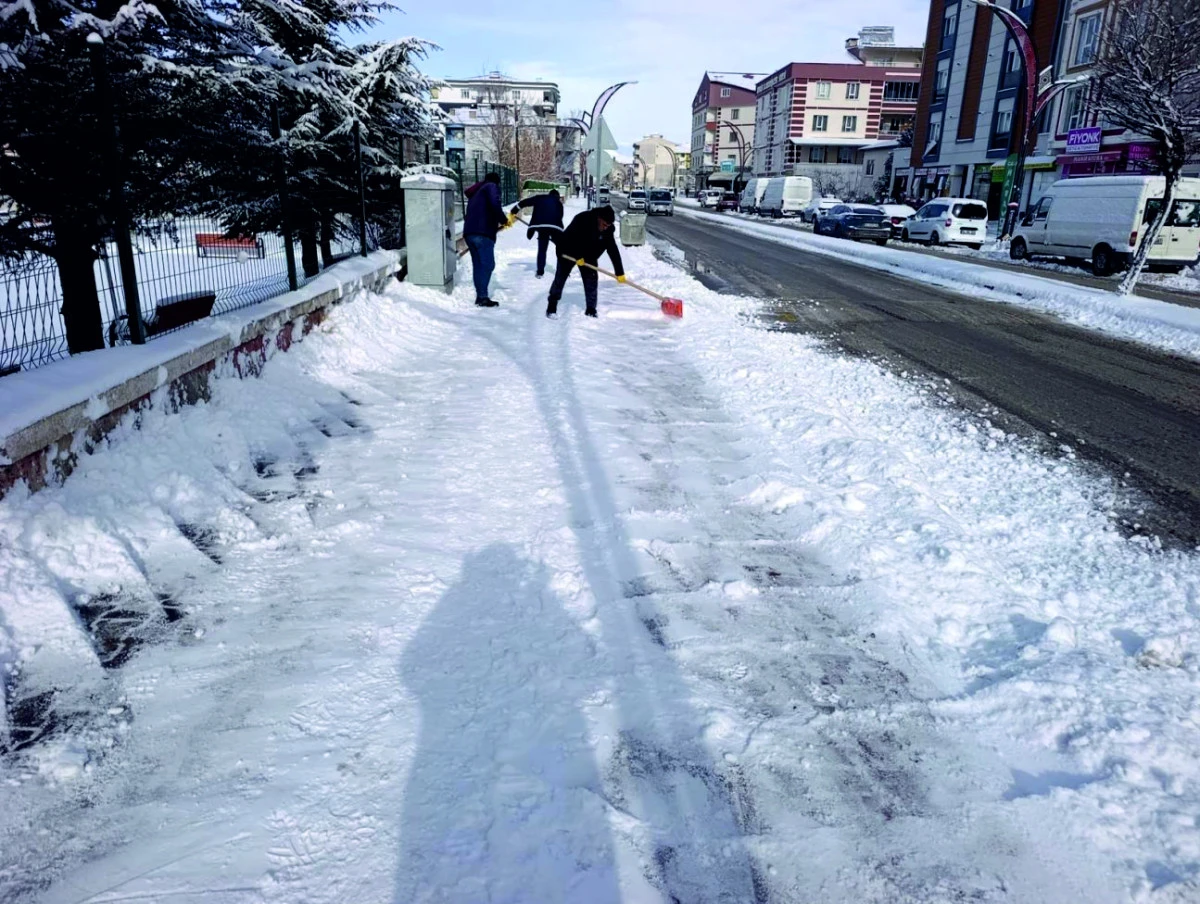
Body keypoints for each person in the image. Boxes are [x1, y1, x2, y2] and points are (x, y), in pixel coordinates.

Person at [546, 205, 625, 319]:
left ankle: (591, 309)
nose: (605, 228)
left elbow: (612, 250)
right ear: (599, 218)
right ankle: (552, 306)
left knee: (591, 280)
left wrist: (619, 272)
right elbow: (571, 239)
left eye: (608, 226)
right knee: (560, 278)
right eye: (604, 225)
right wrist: (577, 256)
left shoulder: (608, 229)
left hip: (589, 255)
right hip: (568, 251)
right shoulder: (582, 219)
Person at [462, 172, 509, 307]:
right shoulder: (491, 187)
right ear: (496, 181)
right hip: (483, 233)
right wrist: (504, 220)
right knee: (488, 265)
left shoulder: (476, 192)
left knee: (478, 265)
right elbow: (495, 205)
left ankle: (480, 296)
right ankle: (482, 297)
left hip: (469, 233)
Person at [510, 190, 564, 278]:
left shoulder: (540, 198)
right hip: (555, 227)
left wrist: (515, 209)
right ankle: (561, 272)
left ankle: (540, 272)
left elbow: (525, 202)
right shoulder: (559, 203)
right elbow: (560, 217)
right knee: (561, 249)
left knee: (542, 249)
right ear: (557, 196)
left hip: (540, 226)